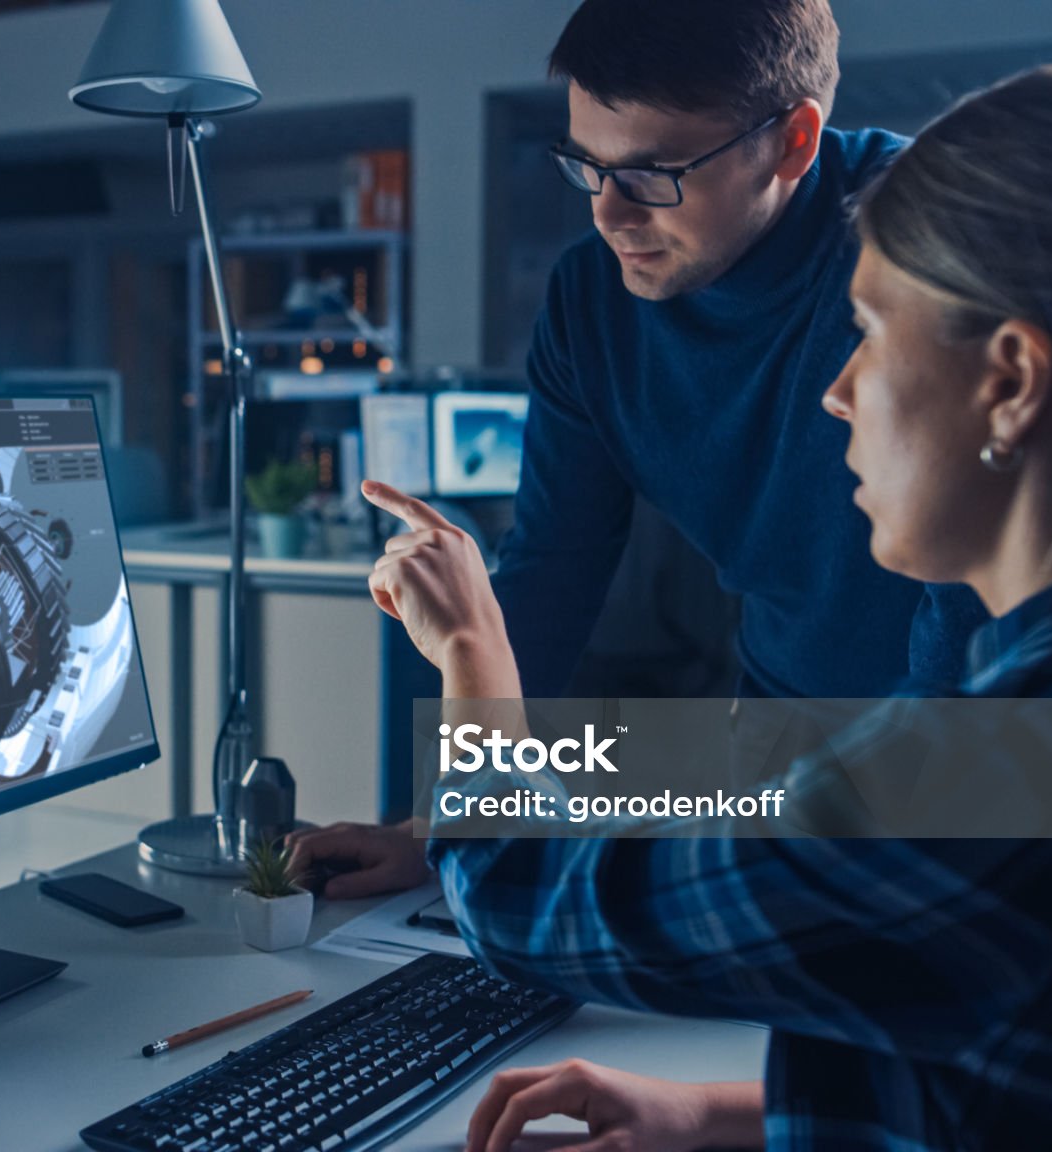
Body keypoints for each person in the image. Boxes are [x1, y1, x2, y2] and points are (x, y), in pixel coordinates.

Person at [367, 61, 1052, 1151]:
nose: (836, 389)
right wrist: (722, 1115)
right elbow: (1043, 1065)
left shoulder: (996, 782)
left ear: (1011, 381)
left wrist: (468, 647)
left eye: (870, 330)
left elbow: (518, 896)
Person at [293, 0, 988, 898]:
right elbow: (552, 567)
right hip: (775, 742)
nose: (611, 216)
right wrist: (440, 824)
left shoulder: (929, 252)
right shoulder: (592, 305)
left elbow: (974, 606)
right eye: (587, 167)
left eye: (655, 174)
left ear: (793, 141)